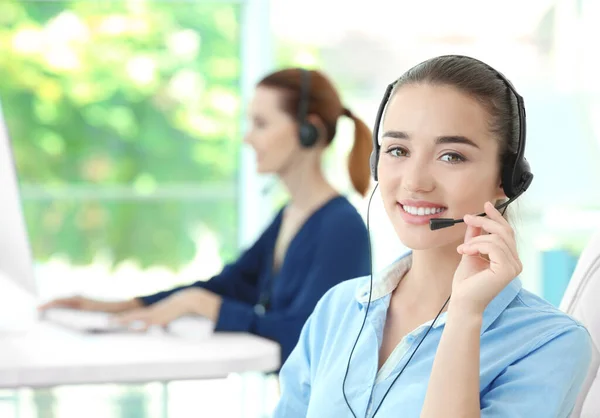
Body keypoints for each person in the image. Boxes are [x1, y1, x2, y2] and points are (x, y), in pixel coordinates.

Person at [273, 55, 592, 417]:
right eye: (398, 150)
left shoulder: (551, 343)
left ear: (507, 177)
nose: (414, 182)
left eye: (451, 156)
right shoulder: (338, 309)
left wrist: (465, 314)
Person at [39, 68, 373, 365]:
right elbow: (229, 286)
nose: (247, 137)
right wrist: (117, 306)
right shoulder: (289, 216)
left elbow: (304, 336)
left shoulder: (341, 227)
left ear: (308, 131)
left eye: (261, 123)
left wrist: (205, 306)